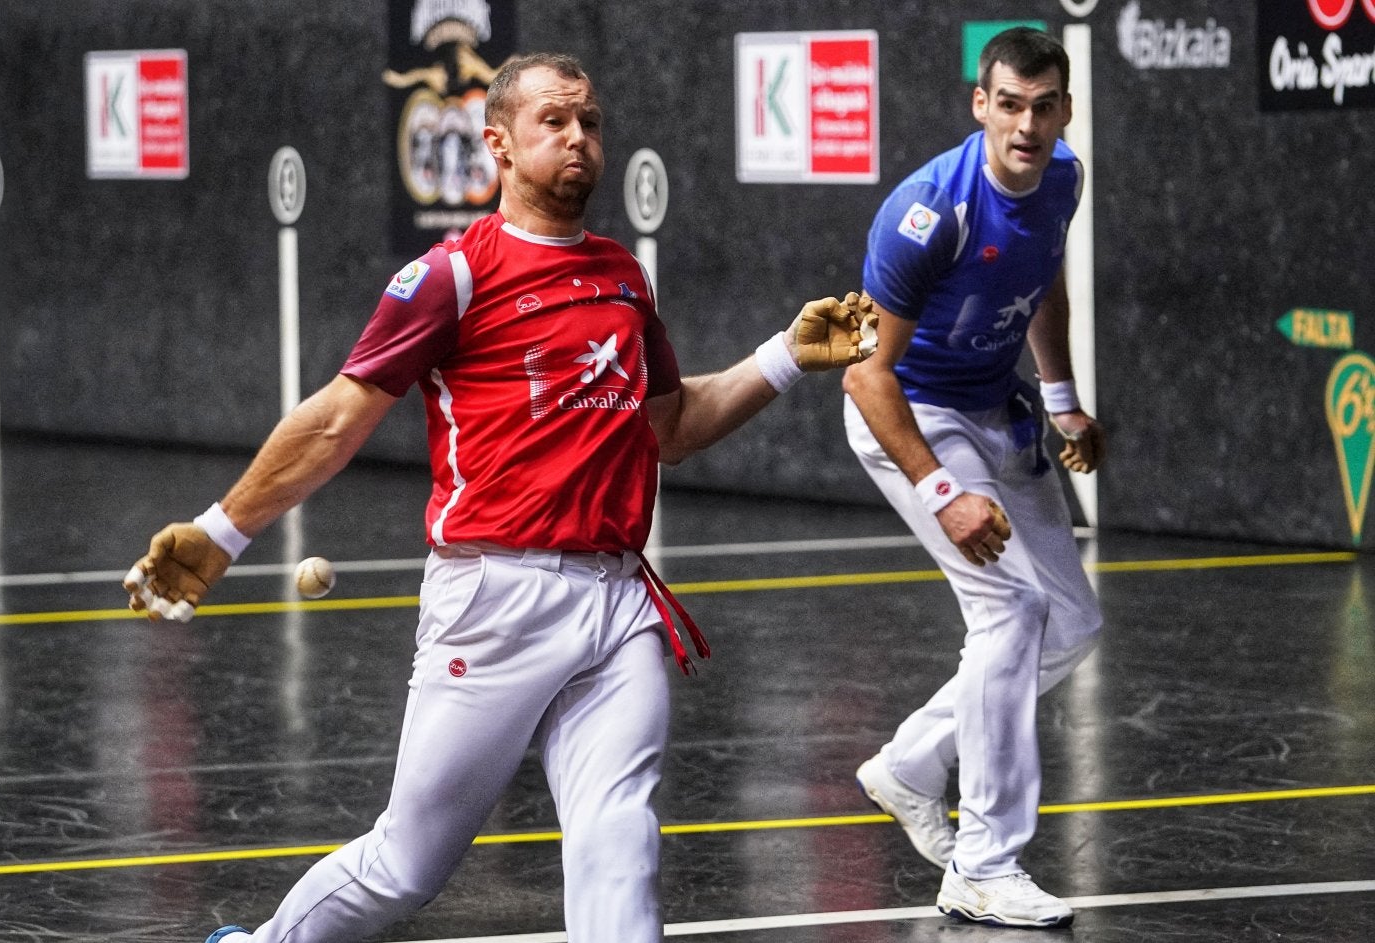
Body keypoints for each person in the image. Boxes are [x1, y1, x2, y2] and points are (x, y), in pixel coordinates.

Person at [123, 52, 870, 943]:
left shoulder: (624, 278)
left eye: (590, 122)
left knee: (618, 838)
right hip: (493, 600)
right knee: (407, 863)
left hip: (618, 602)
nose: (578, 138)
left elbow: (669, 427)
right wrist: (221, 532)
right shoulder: (453, 276)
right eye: (554, 121)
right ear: (499, 144)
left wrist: (785, 356)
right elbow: (334, 422)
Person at [841, 27, 1105, 929]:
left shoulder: (1063, 178)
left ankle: (911, 765)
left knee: (1070, 622)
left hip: (999, 407)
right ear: (980, 105)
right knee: (1011, 609)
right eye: (1011, 105)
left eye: (1045, 107)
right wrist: (943, 493)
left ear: (1064, 111)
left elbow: (1042, 281)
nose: (1027, 125)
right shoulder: (927, 214)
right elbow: (865, 375)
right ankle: (983, 865)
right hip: (914, 414)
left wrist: (1063, 400)